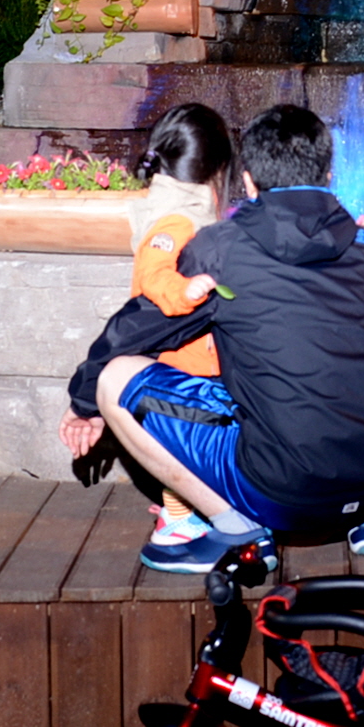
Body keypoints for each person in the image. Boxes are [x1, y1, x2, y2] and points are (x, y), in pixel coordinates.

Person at [62, 104, 364, 573]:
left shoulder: (221, 249)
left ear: (247, 182)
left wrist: (83, 402)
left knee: (114, 379)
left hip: (285, 494)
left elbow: (134, 330)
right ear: (328, 175)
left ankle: (236, 528)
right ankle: (362, 517)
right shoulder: (360, 245)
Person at [123, 102, 238, 551]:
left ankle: (186, 512)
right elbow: (154, 273)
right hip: (185, 365)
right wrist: (185, 291)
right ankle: (177, 520)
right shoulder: (177, 219)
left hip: (192, 360)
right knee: (186, 443)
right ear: (218, 171)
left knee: (192, 443)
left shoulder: (185, 210)